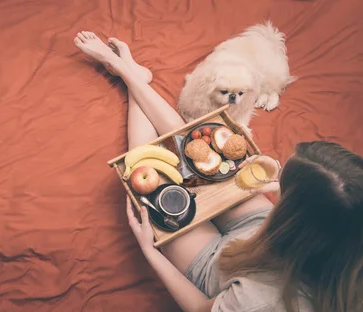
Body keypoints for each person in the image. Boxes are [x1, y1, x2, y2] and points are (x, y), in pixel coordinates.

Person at [74, 31, 363, 312]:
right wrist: (271, 186)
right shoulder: (345, 225)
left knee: (149, 172)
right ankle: (133, 76)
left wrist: (151, 252)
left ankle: (133, 77)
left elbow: (200, 308)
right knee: (192, 152)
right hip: (264, 231)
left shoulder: (261, 303)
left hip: (219, 266)